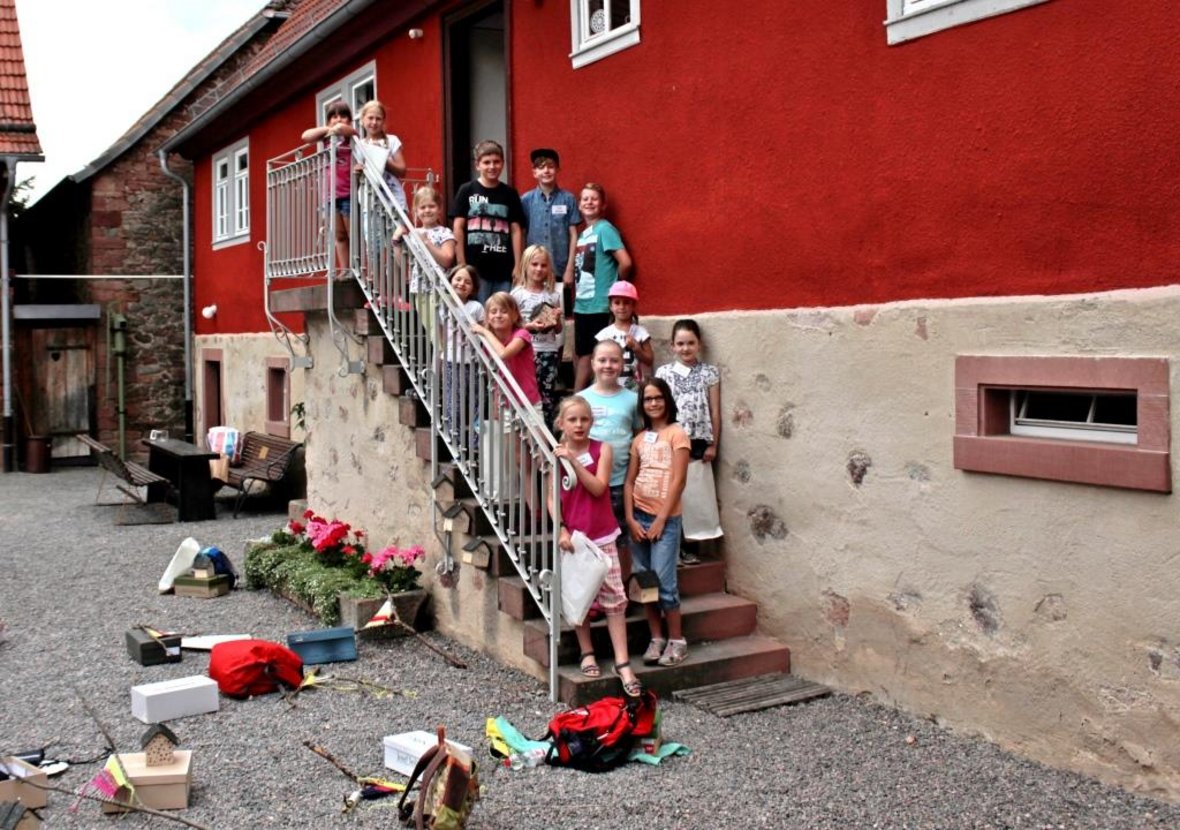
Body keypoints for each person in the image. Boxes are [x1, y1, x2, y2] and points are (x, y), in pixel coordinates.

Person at [549, 395, 642, 697]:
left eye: (584, 419)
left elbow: (599, 487)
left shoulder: (603, 449)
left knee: (615, 599)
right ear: (561, 423)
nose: (579, 425)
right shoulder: (553, 457)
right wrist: (561, 528)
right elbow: (551, 496)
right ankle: (586, 652)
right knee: (581, 598)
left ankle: (622, 660)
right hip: (575, 539)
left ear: (592, 422)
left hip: (602, 536)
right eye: (572, 419)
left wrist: (573, 461)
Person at [624, 378, 691, 667]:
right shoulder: (639, 439)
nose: (653, 403)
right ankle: (656, 637)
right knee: (646, 582)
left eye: (658, 398)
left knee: (664, 582)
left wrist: (661, 520)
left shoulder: (677, 434)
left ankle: (677, 640)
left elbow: (679, 480)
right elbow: (629, 482)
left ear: (667, 400)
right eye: (648, 399)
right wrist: (629, 518)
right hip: (638, 517)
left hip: (665, 519)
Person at [655, 319, 723, 562]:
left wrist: (713, 443)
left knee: (695, 494)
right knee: (672, 493)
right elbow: (659, 408)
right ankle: (674, 547)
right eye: (680, 343)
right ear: (672, 345)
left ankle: (692, 547)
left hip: (698, 443)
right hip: (672, 442)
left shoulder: (709, 373)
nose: (685, 348)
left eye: (690, 343)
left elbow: (714, 411)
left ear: (699, 344)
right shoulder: (663, 373)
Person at [578, 340, 641, 550]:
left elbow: (638, 435)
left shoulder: (633, 399)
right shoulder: (581, 399)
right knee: (590, 538)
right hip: (587, 481)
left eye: (614, 360)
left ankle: (621, 582)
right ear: (593, 363)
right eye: (602, 360)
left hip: (620, 481)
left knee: (621, 539)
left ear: (622, 365)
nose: (608, 365)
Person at [572, 183, 632, 390]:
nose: (589, 202)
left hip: (599, 305)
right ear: (579, 205)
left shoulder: (605, 229)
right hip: (582, 305)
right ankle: (582, 397)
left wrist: (615, 290)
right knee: (580, 354)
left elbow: (625, 262)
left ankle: (578, 398)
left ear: (603, 205)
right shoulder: (583, 234)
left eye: (594, 199)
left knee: (592, 354)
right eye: (585, 199)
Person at [450, 140, 525, 303]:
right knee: (478, 314)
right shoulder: (467, 190)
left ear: (503, 164)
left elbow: (516, 230)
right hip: (475, 270)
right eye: (486, 162)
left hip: (504, 268)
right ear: (477, 165)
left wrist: (518, 265)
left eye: (496, 162)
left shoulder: (510, 194)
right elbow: (458, 227)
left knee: (501, 313)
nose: (492, 166)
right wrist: (462, 263)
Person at [301, 100, 358, 273]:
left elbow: (346, 129)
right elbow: (306, 136)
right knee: (339, 235)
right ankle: (345, 269)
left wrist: (338, 127)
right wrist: (328, 130)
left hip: (348, 192)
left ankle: (356, 269)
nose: (338, 119)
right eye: (333, 116)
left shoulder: (351, 136)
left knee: (352, 234)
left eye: (342, 115)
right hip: (330, 195)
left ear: (349, 119)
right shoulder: (327, 139)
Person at [511, 245, 563, 431]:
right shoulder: (517, 294)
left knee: (547, 396)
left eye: (543, 265)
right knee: (526, 394)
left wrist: (555, 320)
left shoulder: (553, 295)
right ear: (526, 265)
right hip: (526, 353)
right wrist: (529, 328)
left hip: (548, 352)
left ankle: (546, 435)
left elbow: (558, 330)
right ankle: (524, 431)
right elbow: (512, 327)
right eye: (534, 264)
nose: (539, 269)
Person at [521, 148, 581, 302]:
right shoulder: (526, 200)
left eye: (550, 166)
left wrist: (570, 268)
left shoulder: (568, 199)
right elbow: (521, 233)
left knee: (560, 316)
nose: (546, 171)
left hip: (560, 269)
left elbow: (574, 234)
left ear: (557, 169)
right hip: (533, 271)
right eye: (541, 167)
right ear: (534, 172)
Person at [395, 185, 456, 333]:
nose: (427, 210)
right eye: (422, 207)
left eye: (431, 206)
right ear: (416, 211)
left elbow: (448, 259)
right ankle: (440, 354)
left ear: (439, 208)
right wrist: (396, 241)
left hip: (440, 288)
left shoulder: (445, 232)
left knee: (443, 330)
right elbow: (402, 262)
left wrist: (427, 243)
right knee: (431, 330)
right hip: (420, 288)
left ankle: (442, 355)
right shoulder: (414, 234)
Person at [471, 292, 541, 415]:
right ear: (487, 317)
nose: (498, 315)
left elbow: (504, 354)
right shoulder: (488, 344)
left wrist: (485, 332)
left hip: (528, 400)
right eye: (493, 312)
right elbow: (492, 376)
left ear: (514, 316)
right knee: (508, 435)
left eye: (504, 311)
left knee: (534, 434)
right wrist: (494, 401)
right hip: (504, 401)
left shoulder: (522, 334)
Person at [440, 265, 484, 442]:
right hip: (451, 361)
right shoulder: (443, 304)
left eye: (468, 282)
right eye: (458, 279)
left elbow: (484, 331)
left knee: (476, 402)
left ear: (473, 288)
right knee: (453, 404)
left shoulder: (476, 307)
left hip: (472, 361)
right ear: (450, 280)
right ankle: (454, 442)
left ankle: (475, 442)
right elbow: (441, 332)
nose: (462, 284)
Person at [594, 280, 652, 390]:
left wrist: (637, 348)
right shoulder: (604, 335)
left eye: (626, 302)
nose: (621, 307)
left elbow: (649, 360)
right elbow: (597, 362)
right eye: (617, 302)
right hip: (611, 386)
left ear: (633, 306)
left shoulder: (640, 332)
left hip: (636, 387)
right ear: (610, 306)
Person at [356, 99, 408, 212]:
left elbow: (402, 171)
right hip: (370, 201)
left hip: (394, 199)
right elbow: (355, 177)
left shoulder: (392, 140)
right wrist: (357, 171)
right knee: (372, 230)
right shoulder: (359, 145)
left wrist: (383, 161)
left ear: (383, 121)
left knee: (398, 229)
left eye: (378, 119)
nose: (374, 122)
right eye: (370, 118)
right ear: (362, 119)